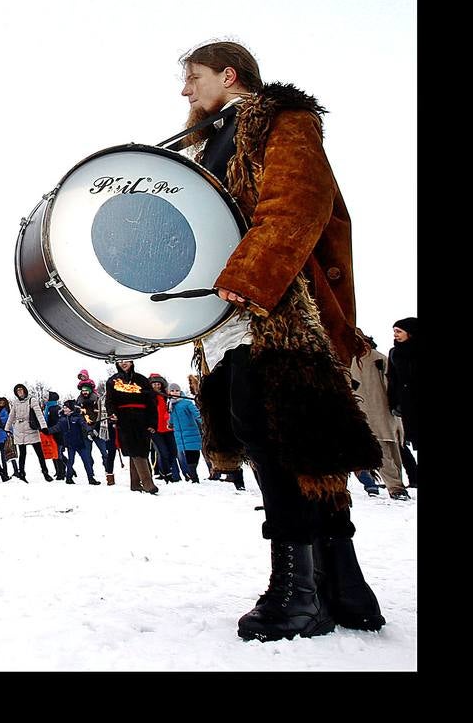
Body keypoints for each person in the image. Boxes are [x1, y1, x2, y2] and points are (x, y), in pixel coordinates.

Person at [179, 40, 384, 641]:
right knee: (291, 437)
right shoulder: (206, 143)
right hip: (233, 310)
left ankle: (298, 593)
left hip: (276, 305)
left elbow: (299, 203)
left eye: (192, 77)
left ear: (228, 73)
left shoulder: (281, 122)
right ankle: (344, 585)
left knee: (278, 435)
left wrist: (252, 276)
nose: (184, 91)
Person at [351, 333, 409, 499]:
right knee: (382, 451)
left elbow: (391, 385)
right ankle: (395, 487)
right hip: (370, 413)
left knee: (392, 449)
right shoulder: (354, 361)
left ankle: (396, 485)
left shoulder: (378, 360)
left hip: (383, 411)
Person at [105, 360, 159, 495]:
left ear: (132, 361)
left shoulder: (141, 379)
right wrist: (112, 413)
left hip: (142, 417)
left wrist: (153, 422)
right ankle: (148, 483)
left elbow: (151, 402)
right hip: (124, 418)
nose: (124, 363)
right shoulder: (112, 381)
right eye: (120, 361)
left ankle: (135, 483)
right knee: (134, 448)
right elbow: (110, 401)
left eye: (126, 361)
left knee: (142, 449)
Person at [386, 318, 417, 488]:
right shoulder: (394, 353)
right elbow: (392, 380)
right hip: (406, 405)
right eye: (394, 331)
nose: (395, 335)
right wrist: (393, 403)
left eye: (399, 331)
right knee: (407, 441)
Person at [6, 384, 50, 482]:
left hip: (31, 428)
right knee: (22, 454)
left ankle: (45, 472)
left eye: (21, 390)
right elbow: (11, 416)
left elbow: (39, 414)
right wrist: (7, 428)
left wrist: (44, 427)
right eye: (17, 391)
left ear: (25, 390)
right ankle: (22, 474)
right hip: (19, 430)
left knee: (39, 453)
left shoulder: (32, 400)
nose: (20, 392)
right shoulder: (15, 402)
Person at [148, 374, 182, 483]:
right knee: (163, 452)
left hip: (168, 428)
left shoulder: (166, 396)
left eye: (158, 384)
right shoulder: (148, 397)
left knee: (173, 452)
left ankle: (170, 473)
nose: (157, 386)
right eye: (154, 384)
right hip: (155, 429)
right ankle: (167, 474)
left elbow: (177, 400)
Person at [167, 383, 203, 484]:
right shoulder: (170, 404)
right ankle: (193, 476)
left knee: (194, 453)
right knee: (187, 456)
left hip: (191, 432)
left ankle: (193, 474)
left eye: (177, 390)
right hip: (179, 435)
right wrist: (170, 424)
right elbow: (172, 418)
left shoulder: (186, 403)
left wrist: (203, 423)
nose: (175, 393)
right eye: (172, 391)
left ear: (180, 391)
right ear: (169, 392)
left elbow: (196, 413)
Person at [58, 399, 100, 485]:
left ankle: (91, 478)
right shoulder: (62, 419)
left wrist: (90, 431)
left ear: (71, 408)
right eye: (64, 407)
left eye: (66, 407)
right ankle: (68, 478)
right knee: (71, 461)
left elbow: (84, 425)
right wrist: (46, 430)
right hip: (70, 444)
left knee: (86, 461)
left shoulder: (77, 417)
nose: (64, 409)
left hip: (80, 443)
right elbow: (57, 428)